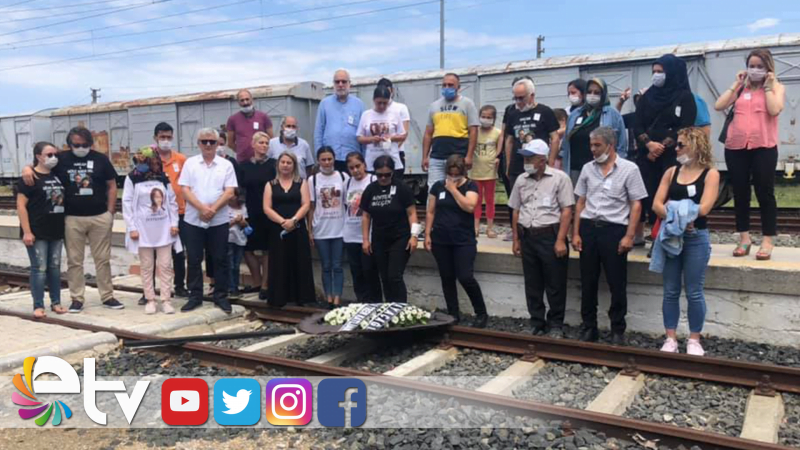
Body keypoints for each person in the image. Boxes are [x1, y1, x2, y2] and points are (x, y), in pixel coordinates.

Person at [22, 126, 122, 313]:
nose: (82, 148)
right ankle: (77, 298)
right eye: (77, 144)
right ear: (69, 144)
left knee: (103, 259)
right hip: (72, 218)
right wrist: (26, 168)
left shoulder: (101, 159)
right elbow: (40, 165)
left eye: (85, 144)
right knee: (75, 261)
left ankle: (107, 296)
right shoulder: (61, 159)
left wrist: (110, 211)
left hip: (100, 216)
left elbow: (111, 185)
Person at [572, 127, 648, 345]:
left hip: (614, 229)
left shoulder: (629, 169)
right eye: (591, 145)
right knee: (588, 280)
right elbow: (580, 202)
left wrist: (629, 235)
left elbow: (636, 204)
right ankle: (589, 327)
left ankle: (617, 328)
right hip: (589, 228)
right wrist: (576, 232)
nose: (593, 150)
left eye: (597, 145)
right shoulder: (588, 169)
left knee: (617, 282)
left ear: (610, 145)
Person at [651, 128, 720, 356]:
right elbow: (657, 204)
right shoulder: (671, 172)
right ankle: (670, 337)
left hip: (696, 237)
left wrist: (684, 214)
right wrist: (676, 218)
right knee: (670, 290)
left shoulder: (710, 174)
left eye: (681, 145)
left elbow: (705, 207)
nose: (677, 149)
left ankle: (694, 338)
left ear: (695, 146)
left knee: (694, 291)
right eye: (677, 145)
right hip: (672, 236)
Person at [715, 48, 785, 260]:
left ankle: (767, 240)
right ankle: (744, 238)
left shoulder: (776, 88)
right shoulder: (740, 89)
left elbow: (774, 110)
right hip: (736, 147)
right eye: (751, 66)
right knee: (740, 192)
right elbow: (720, 105)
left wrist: (767, 87)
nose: (754, 70)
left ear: (768, 69)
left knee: (765, 192)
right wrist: (736, 84)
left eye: (759, 67)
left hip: (764, 146)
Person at [510, 140, 574, 338]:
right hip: (528, 235)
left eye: (530, 158)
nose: (526, 161)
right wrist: (516, 239)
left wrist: (561, 240)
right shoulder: (521, 179)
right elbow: (516, 209)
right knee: (533, 282)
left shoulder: (559, 178)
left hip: (550, 235)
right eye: (525, 158)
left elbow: (566, 210)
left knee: (555, 283)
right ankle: (536, 321)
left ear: (542, 159)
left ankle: (556, 324)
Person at [178, 128, 238, 313]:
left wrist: (213, 209)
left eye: (213, 141)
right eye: (205, 141)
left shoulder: (226, 165)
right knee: (194, 259)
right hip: (193, 220)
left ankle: (221, 296)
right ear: (199, 143)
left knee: (220, 258)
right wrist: (202, 208)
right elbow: (185, 190)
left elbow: (230, 191)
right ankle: (195, 296)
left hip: (218, 220)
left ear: (218, 143)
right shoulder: (190, 163)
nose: (209, 145)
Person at [634, 54, 697, 229]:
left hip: (672, 157)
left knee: (671, 194)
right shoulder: (647, 97)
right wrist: (649, 145)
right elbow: (637, 125)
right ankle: (655, 232)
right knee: (650, 194)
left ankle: (671, 230)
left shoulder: (685, 97)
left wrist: (661, 146)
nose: (656, 75)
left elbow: (686, 127)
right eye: (654, 71)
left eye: (660, 71)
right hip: (647, 156)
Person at [424, 155, 487, 327]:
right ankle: (453, 312)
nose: (453, 177)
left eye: (456, 174)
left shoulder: (470, 185)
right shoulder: (437, 187)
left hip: (463, 240)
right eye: (450, 174)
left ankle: (481, 312)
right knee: (447, 277)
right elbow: (430, 211)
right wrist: (428, 234)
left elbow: (469, 206)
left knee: (465, 276)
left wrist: (453, 189)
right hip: (441, 240)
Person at [122, 148, 181, 314]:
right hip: (143, 230)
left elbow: (172, 201)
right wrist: (132, 227)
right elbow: (127, 203)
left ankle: (166, 299)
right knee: (147, 266)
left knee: (165, 265)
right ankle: (150, 299)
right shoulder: (132, 178)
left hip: (164, 229)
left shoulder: (162, 178)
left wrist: (174, 223)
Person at [17, 142, 67, 318]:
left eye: (55, 154)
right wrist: (27, 231)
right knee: (39, 268)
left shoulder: (57, 174)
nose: (53, 158)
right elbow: (21, 206)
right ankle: (38, 305)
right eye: (49, 154)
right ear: (38, 156)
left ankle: (56, 302)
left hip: (56, 230)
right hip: (37, 231)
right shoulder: (29, 178)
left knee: (54, 267)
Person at [361, 156, 419, 302]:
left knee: (394, 275)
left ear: (393, 173)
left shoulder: (402, 188)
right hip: (379, 238)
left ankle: (401, 308)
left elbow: (412, 213)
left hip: (400, 237)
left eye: (387, 175)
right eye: (380, 175)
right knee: (385, 277)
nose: (383, 178)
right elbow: (366, 216)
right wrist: (365, 240)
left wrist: (414, 236)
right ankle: (389, 307)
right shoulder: (370, 189)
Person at [263, 151, 316, 307]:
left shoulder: (301, 182)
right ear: (278, 164)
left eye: (289, 162)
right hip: (277, 229)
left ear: (294, 165)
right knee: (279, 262)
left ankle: (303, 298)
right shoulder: (270, 184)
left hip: (297, 228)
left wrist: (293, 220)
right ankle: (279, 298)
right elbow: (267, 208)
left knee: (300, 261)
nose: (285, 165)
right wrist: (282, 222)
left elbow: (306, 204)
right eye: (283, 162)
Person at [561, 78, 628, 186]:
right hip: (575, 169)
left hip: (602, 168)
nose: (592, 95)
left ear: (603, 94)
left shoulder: (613, 114)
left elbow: (621, 146)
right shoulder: (575, 114)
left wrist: (617, 169)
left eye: (597, 92)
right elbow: (565, 144)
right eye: (589, 92)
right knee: (578, 202)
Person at [151, 122, 189, 299]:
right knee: (151, 253)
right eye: (162, 137)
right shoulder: (150, 160)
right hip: (155, 216)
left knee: (179, 252)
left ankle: (180, 286)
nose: (165, 141)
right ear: (155, 138)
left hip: (179, 212)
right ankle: (149, 289)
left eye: (168, 137)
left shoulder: (181, 160)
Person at [504, 78, 560, 196]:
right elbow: (509, 140)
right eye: (515, 98)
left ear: (532, 95)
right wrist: (508, 164)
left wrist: (550, 162)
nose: (518, 102)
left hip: (538, 165)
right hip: (517, 166)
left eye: (521, 98)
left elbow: (555, 138)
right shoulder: (512, 113)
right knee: (516, 201)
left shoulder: (545, 111)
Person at [422, 73, 480, 187]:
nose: (447, 88)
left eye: (450, 85)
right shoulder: (434, 106)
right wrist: (425, 156)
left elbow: (473, 131)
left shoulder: (467, 104)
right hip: (437, 157)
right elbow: (428, 133)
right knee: (433, 189)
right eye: (444, 85)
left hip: (458, 156)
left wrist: (469, 156)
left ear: (458, 87)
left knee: (458, 189)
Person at [309, 146, 349, 308]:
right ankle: (328, 298)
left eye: (329, 159)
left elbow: (348, 202)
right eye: (323, 160)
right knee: (326, 266)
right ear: (318, 161)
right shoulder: (313, 180)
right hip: (321, 229)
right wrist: (310, 230)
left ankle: (338, 299)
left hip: (339, 228)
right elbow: (311, 207)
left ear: (334, 159)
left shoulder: (343, 176)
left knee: (337, 265)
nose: (327, 163)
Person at [239, 131, 275, 300]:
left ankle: (266, 284)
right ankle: (256, 282)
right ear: (253, 145)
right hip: (250, 212)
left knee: (267, 250)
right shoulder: (244, 166)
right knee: (248, 249)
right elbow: (239, 190)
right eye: (260, 143)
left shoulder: (273, 165)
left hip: (268, 213)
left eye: (266, 143)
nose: (264, 146)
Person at [342, 152, 381, 303]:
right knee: (356, 272)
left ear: (364, 164)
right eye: (351, 168)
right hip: (351, 233)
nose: (355, 170)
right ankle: (362, 301)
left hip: (368, 235)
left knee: (370, 270)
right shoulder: (347, 183)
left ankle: (374, 302)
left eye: (358, 166)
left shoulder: (372, 180)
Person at [314, 69, 365, 173]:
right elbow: (319, 131)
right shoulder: (324, 104)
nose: (340, 85)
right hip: (331, 159)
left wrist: (364, 158)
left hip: (353, 158)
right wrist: (319, 156)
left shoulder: (359, 104)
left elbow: (363, 132)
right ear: (333, 84)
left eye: (344, 81)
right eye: (337, 82)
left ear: (349, 84)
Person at [357, 86, 407, 174]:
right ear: (373, 100)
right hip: (372, 162)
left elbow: (403, 135)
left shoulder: (394, 114)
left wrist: (391, 138)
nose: (382, 106)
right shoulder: (366, 115)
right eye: (379, 103)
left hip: (392, 160)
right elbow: (359, 138)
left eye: (385, 103)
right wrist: (371, 139)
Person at [470, 105, 502, 238]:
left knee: (490, 200)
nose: (486, 119)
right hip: (475, 170)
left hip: (490, 171)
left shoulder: (498, 133)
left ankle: (490, 227)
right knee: (476, 201)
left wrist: (497, 159)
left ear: (494, 119)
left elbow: (499, 150)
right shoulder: (474, 131)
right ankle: (475, 227)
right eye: (483, 116)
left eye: (489, 117)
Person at [226, 89, 273, 162]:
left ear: (252, 100)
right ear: (238, 102)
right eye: (242, 100)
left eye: (247, 99)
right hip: (243, 161)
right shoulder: (232, 119)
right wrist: (242, 151)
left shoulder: (263, 117)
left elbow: (271, 139)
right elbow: (230, 143)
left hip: (262, 161)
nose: (245, 102)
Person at [376, 78, 411, 176]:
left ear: (392, 90)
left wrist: (391, 149)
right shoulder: (374, 110)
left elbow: (404, 133)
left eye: (387, 89)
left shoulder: (401, 108)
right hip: (379, 153)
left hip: (397, 152)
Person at [227, 189, 249, 299]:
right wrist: (234, 221)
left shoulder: (243, 208)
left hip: (240, 239)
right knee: (230, 265)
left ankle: (235, 286)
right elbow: (223, 225)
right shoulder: (225, 208)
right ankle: (231, 288)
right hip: (229, 239)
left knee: (236, 265)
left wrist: (241, 221)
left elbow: (246, 224)